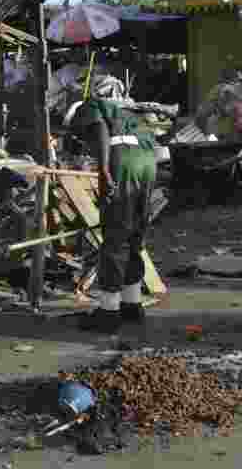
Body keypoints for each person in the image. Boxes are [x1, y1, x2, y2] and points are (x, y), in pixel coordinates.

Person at [63, 98, 156, 333]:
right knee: (134, 236)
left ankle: (108, 313)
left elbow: (100, 130)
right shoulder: (123, 114)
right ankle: (132, 305)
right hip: (147, 162)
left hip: (123, 164)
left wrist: (103, 169)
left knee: (115, 236)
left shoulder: (89, 107)